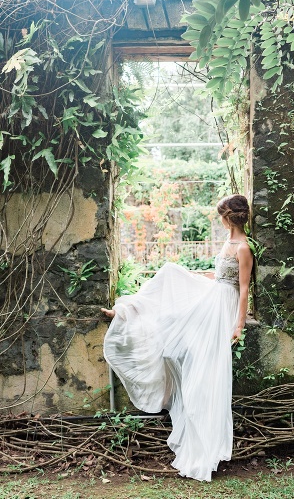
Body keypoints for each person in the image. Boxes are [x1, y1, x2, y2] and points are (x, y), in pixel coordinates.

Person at [101, 194, 253, 481]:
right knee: (171, 276)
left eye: (221, 215)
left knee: (204, 374)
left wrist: (239, 325)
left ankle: (204, 445)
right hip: (213, 295)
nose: (219, 220)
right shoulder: (228, 243)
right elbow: (219, 275)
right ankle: (126, 311)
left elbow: (242, 288)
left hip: (223, 308)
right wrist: (193, 274)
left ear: (227, 217)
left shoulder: (243, 248)